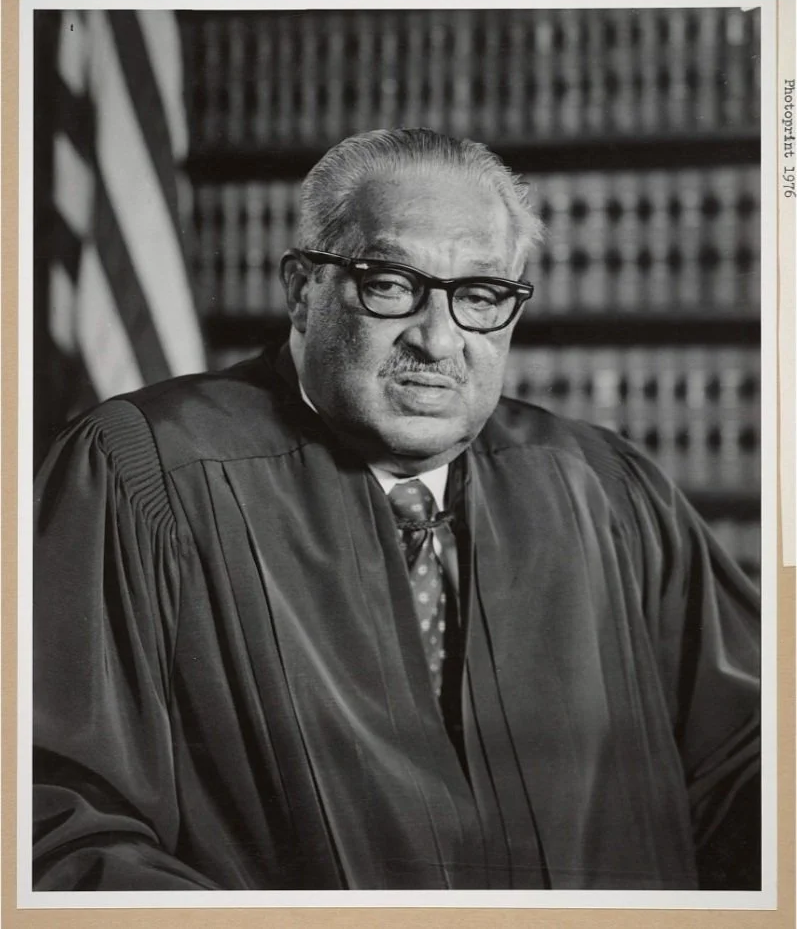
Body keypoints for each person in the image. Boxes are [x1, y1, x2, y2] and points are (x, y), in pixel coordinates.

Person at [33, 128, 760, 892]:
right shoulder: (147, 475)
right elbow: (59, 823)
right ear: (301, 290)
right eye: (388, 284)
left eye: (478, 296)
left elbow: (748, 765)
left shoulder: (605, 489)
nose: (438, 340)